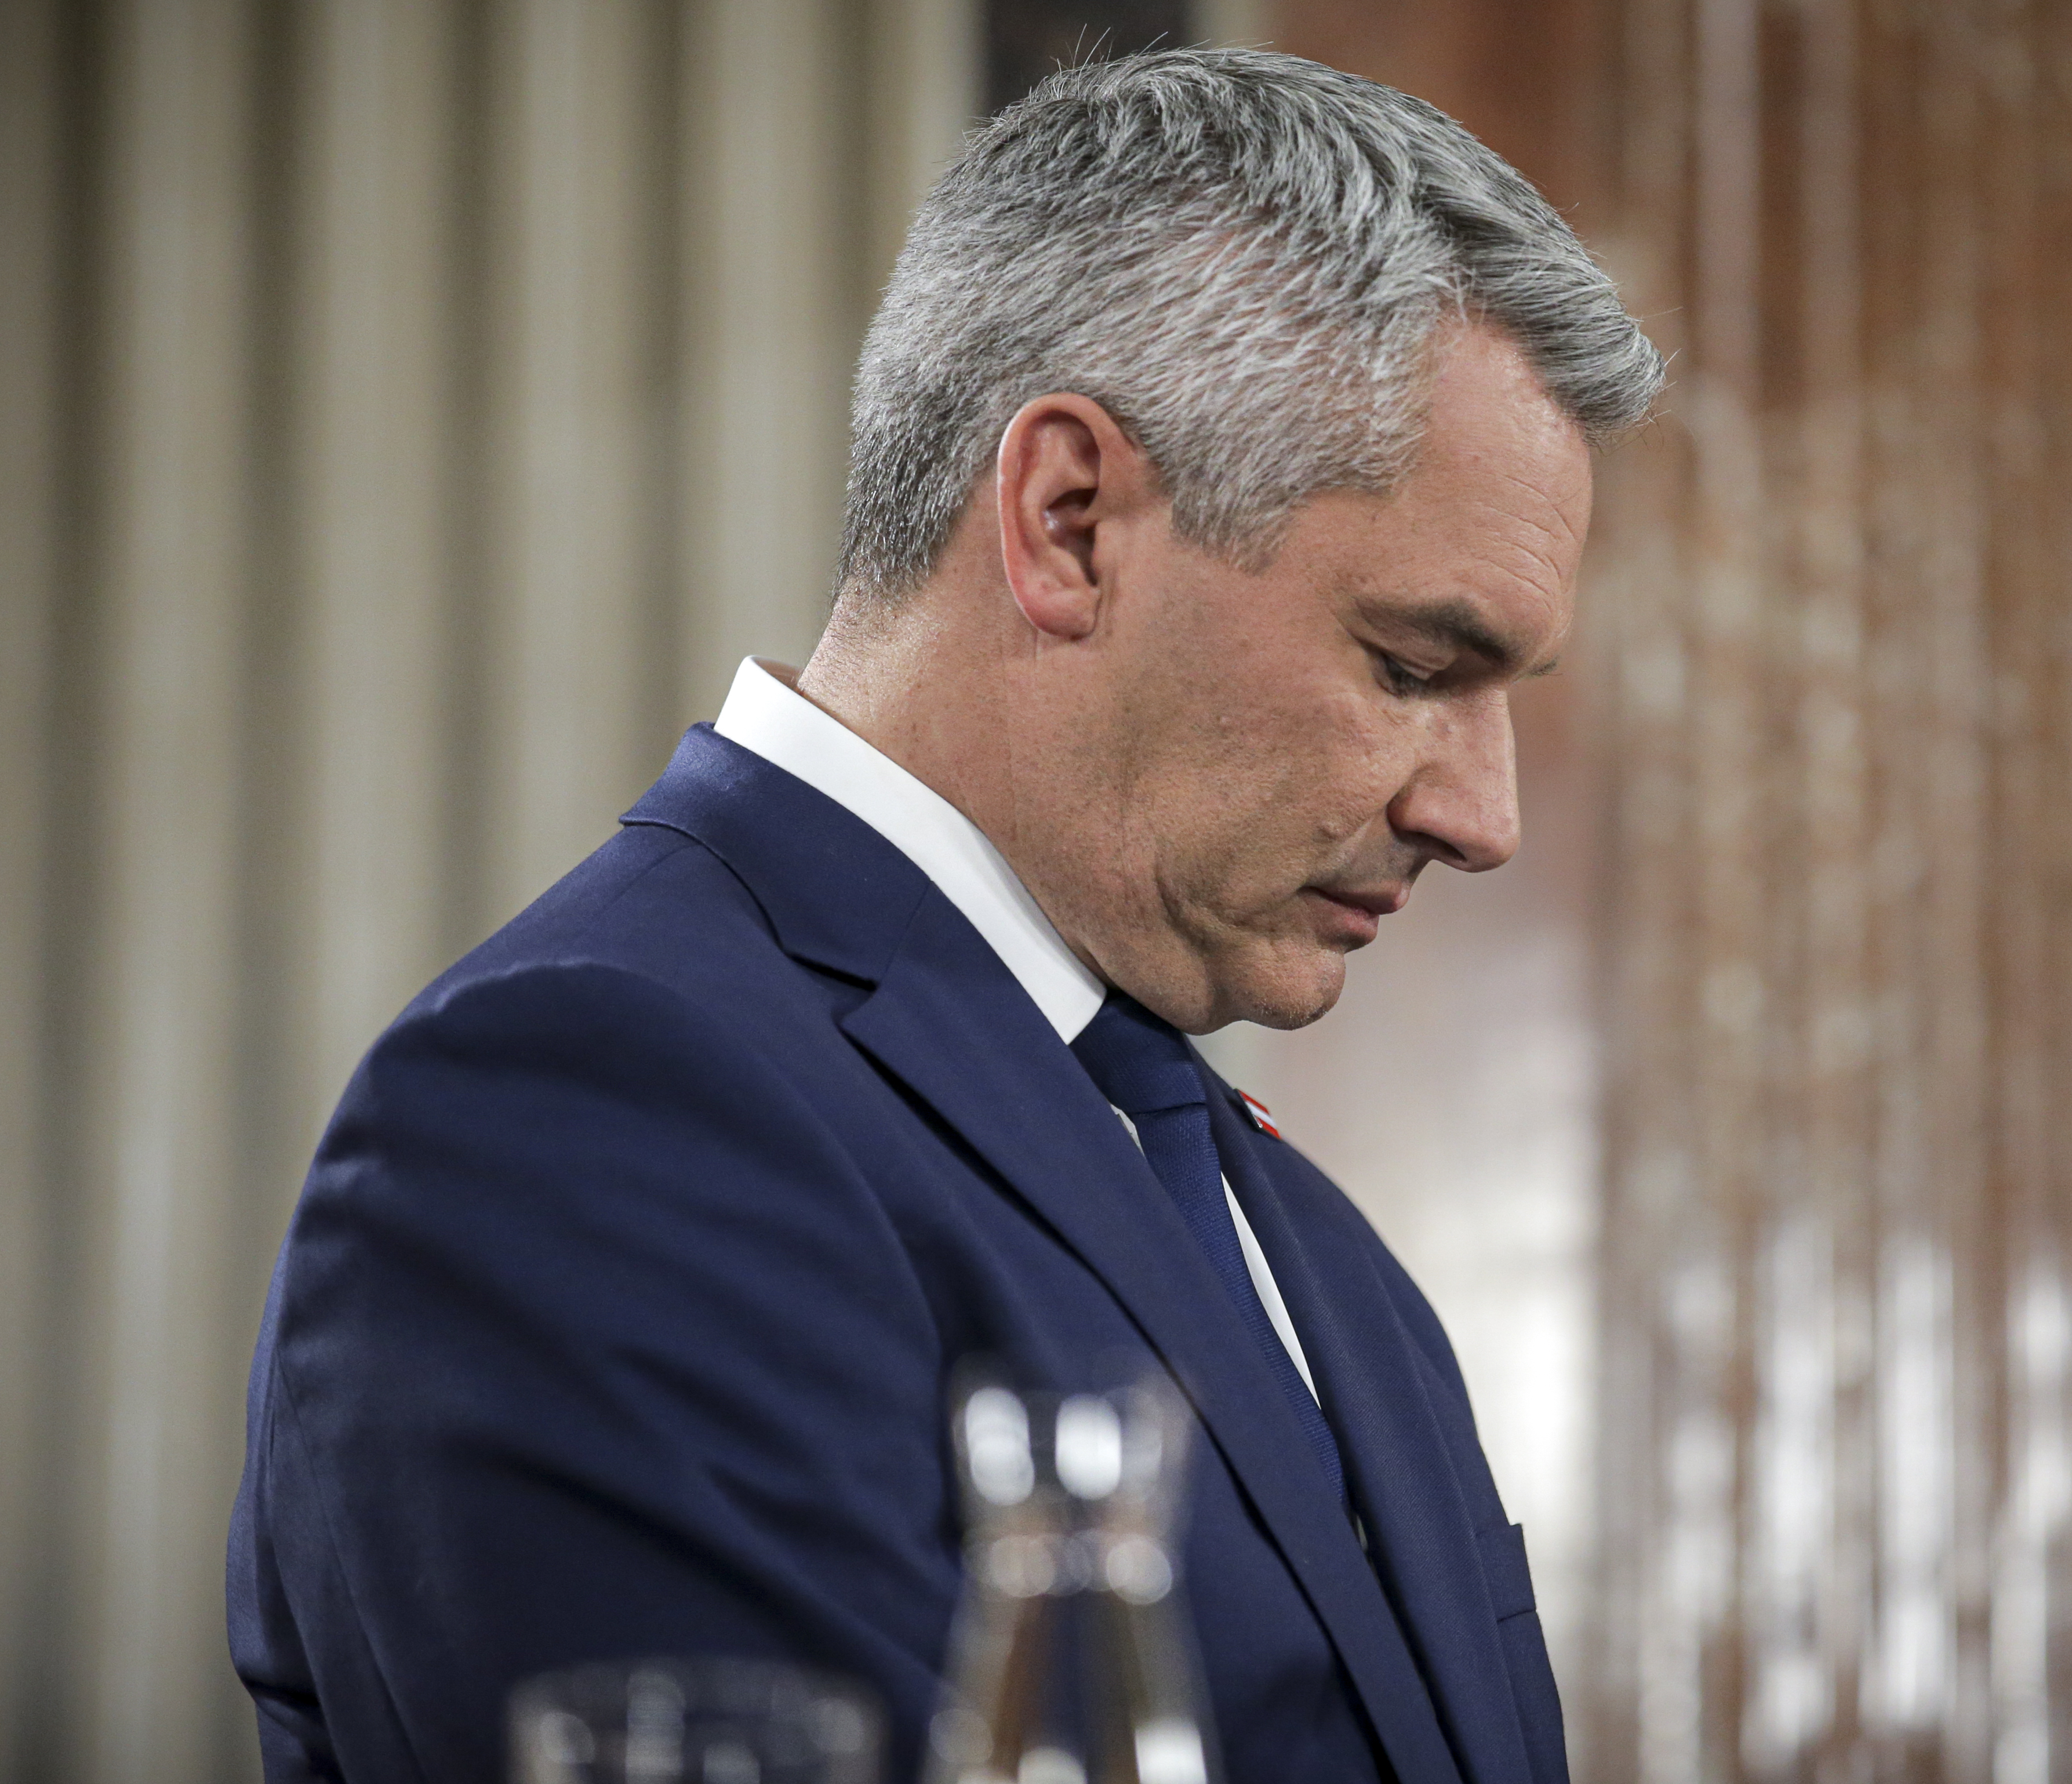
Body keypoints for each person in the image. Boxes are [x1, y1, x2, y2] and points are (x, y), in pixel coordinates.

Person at [227, 48, 1662, 1784]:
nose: (1483, 816)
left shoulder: (1308, 1246)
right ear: (1067, 520)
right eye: (1414, 665)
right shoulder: (585, 1114)